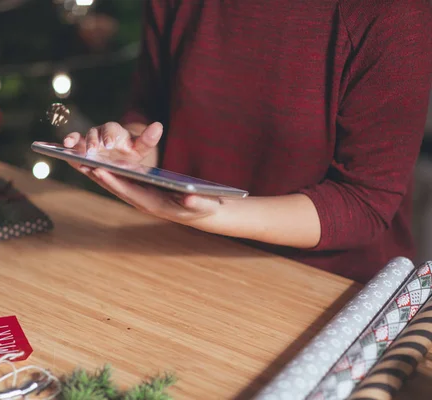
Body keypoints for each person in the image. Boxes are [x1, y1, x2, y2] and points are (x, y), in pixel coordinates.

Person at [64, 0, 432, 284]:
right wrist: (133, 152)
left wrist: (214, 212)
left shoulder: (393, 13)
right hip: (181, 255)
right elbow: (151, 106)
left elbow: (364, 203)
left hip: (331, 290)